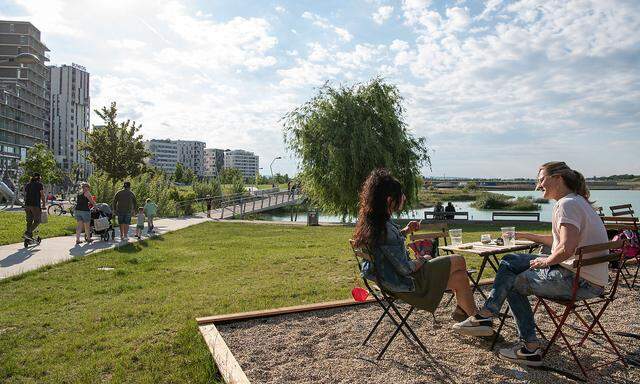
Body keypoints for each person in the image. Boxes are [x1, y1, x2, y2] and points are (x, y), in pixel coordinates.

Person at [453, 161, 608, 366]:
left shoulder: (566, 205)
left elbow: (565, 249)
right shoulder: (576, 201)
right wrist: (525, 236)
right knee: (510, 260)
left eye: (541, 179)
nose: (538, 185)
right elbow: (559, 242)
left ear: (558, 178)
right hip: (587, 276)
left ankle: (529, 348)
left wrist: (546, 261)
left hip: (578, 281)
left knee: (514, 283)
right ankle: (485, 315)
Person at [353, 168, 483, 322]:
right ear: (389, 200)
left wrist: (406, 231)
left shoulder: (375, 223)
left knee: (460, 277)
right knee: (459, 260)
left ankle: (471, 317)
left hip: (389, 282)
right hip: (407, 284)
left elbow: (388, 247)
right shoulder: (385, 229)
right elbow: (405, 268)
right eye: (401, 194)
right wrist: (424, 259)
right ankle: (476, 318)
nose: (404, 197)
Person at [23, 173, 46, 240]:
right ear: (39, 178)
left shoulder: (28, 185)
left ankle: (28, 237)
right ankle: (27, 233)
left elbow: (25, 194)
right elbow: (42, 195)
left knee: (29, 221)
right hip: (35, 205)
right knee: (38, 220)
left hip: (27, 205)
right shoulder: (39, 184)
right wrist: (44, 203)